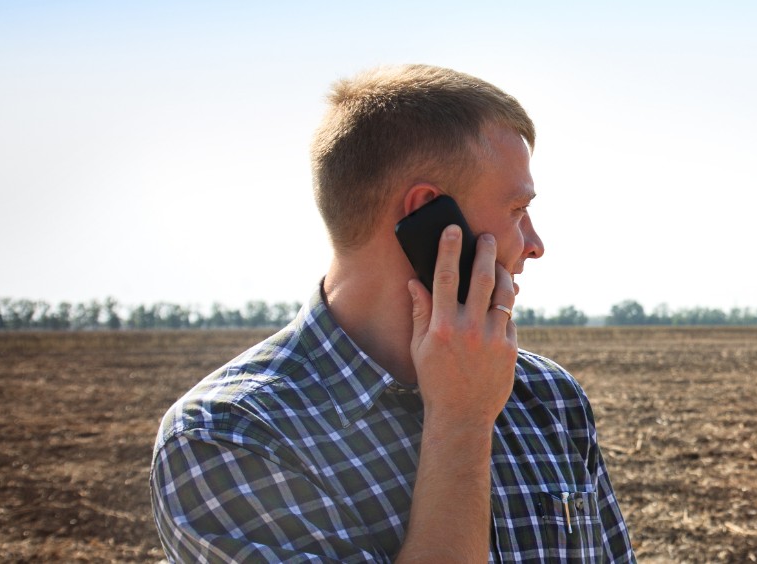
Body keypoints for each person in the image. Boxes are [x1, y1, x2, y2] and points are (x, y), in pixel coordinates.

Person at [150, 64, 633, 562]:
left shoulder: (549, 397)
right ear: (426, 213)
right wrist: (461, 418)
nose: (535, 245)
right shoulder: (227, 436)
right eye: (516, 210)